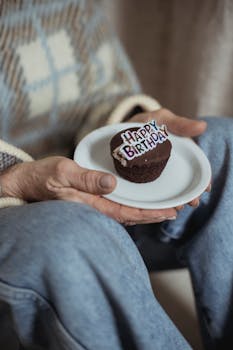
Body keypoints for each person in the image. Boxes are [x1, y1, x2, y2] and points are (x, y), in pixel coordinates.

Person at [0, 1, 232, 349]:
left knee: (224, 143)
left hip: (89, 171)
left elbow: (101, 91)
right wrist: (13, 177)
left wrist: (127, 120)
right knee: (67, 233)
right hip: (19, 213)